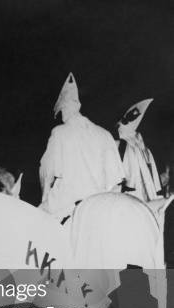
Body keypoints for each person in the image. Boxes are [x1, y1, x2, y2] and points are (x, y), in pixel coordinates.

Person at [39, 73, 125, 223]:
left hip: (66, 205)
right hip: (99, 206)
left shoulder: (59, 133)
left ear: (62, 111)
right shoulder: (105, 135)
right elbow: (116, 181)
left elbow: (46, 172)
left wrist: (45, 198)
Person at [116, 98, 162, 202]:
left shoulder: (142, 146)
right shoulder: (121, 144)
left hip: (145, 194)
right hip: (129, 196)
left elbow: (152, 174)